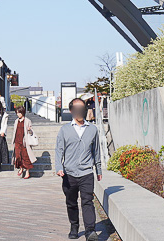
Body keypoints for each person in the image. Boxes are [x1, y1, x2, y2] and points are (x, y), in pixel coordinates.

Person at [55, 98, 103, 241]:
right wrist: (59, 167)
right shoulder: (64, 130)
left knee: (87, 201)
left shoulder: (93, 129)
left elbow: (97, 151)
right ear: (71, 111)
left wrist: (98, 169)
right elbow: (59, 150)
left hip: (87, 172)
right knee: (71, 202)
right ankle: (74, 227)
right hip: (69, 173)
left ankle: (90, 231)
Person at [13, 105, 36, 179]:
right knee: (18, 156)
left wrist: (29, 130)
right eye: (17, 113)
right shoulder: (16, 121)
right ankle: (21, 168)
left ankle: (27, 172)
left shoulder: (27, 121)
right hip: (17, 140)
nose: (18, 114)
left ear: (22, 112)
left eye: (19, 113)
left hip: (24, 142)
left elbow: (31, 133)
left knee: (25, 157)